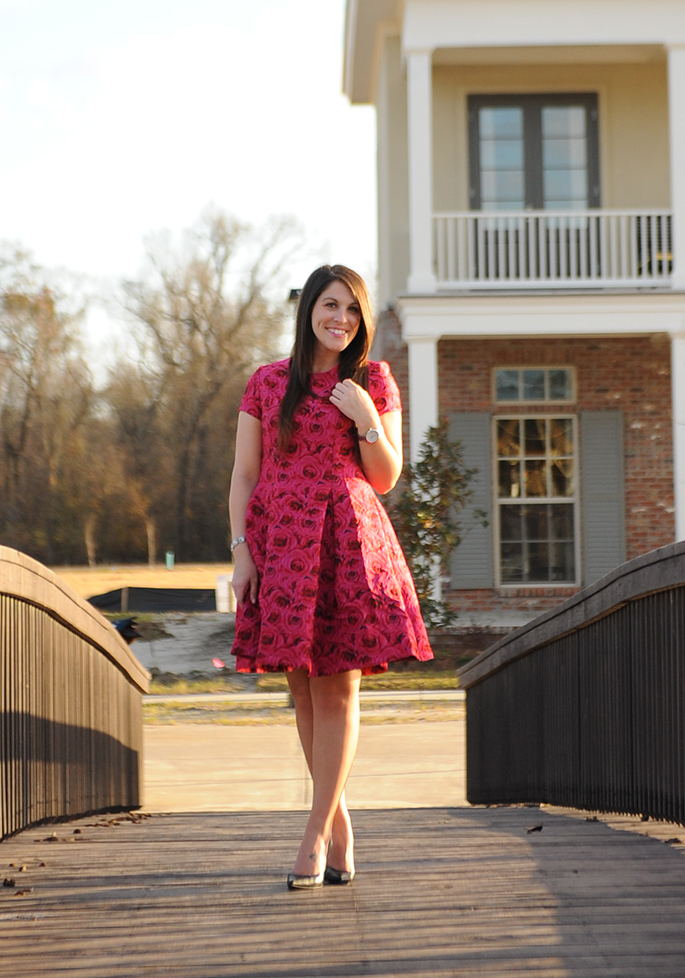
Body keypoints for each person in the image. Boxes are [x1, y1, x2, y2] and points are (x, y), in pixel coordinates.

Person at [228, 264, 433, 890]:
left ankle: (313, 838)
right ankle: (340, 825)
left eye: (351, 308)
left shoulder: (372, 380)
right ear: (308, 311)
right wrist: (241, 551)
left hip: (346, 541)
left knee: (338, 690)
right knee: (302, 692)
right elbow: (242, 475)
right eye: (329, 305)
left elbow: (387, 475)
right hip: (281, 546)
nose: (339, 318)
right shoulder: (267, 382)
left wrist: (366, 412)